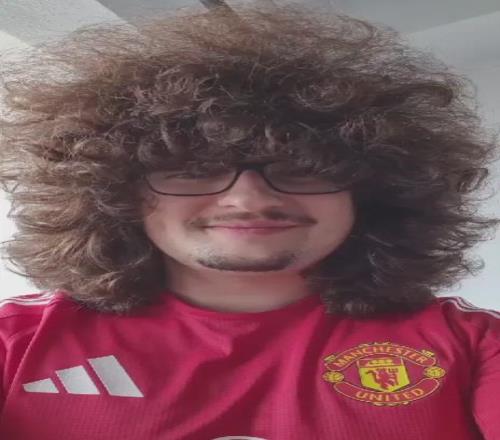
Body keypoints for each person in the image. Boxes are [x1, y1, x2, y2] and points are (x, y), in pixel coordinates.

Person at [0, 3, 498, 439]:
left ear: (374, 192)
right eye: (195, 169)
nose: (248, 198)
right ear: (115, 193)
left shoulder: (475, 346)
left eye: (303, 169)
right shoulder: (14, 342)